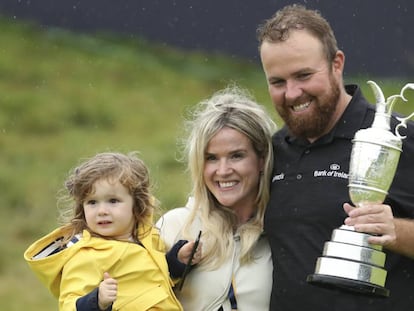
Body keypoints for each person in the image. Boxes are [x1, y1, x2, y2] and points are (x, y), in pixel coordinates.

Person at [256, 4, 414, 311]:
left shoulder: (399, 139)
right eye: (277, 82)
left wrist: (396, 231)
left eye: (303, 75)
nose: (292, 93)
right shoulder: (271, 152)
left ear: (336, 63)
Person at [24, 151, 198, 311]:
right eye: (92, 202)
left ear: (136, 204)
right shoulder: (86, 255)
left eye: (113, 201)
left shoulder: (147, 238)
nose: (102, 211)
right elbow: (69, 304)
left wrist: (177, 261)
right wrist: (97, 300)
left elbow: (154, 281)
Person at [156, 85, 277, 310]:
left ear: (261, 159)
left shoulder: (282, 233)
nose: (222, 171)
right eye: (211, 158)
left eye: (236, 156)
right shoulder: (174, 225)